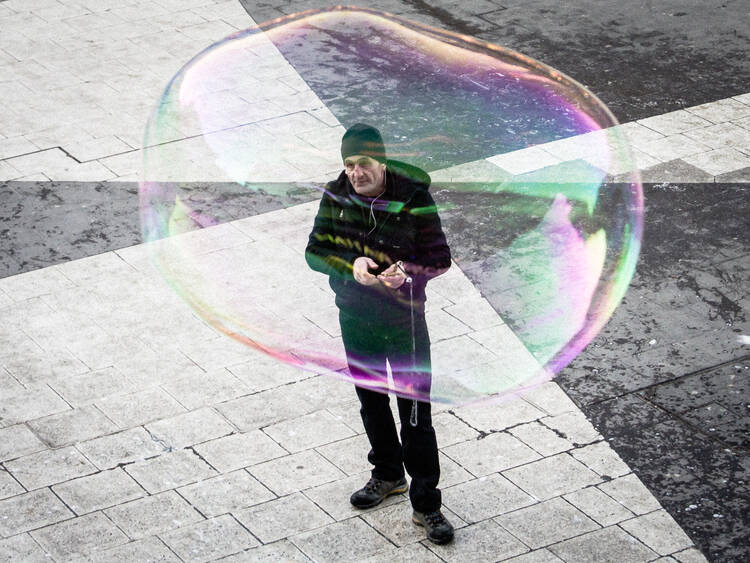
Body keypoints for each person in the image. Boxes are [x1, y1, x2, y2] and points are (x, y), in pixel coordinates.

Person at [305, 123, 454, 544]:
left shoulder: (413, 196)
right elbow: (315, 251)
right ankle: (388, 474)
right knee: (371, 403)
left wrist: (406, 271)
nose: (356, 173)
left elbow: (440, 257)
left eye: (364, 163)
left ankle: (427, 505)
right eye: (349, 164)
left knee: (415, 415)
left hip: (405, 322)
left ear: (382, 162)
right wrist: (349, 265)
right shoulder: (336, 196)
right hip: (356, 317)